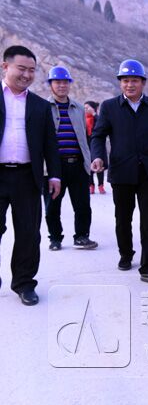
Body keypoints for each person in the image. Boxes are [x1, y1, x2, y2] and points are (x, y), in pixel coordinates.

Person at [91, 59, 148, 284]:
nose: (129, 85)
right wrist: (98, 156)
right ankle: (126, 254)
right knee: (123, 219)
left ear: (143, 83)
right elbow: (98, 135)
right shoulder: (109, 107)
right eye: (125, 80)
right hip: (122, 172)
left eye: (134, 80)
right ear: (120, 83)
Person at [0, 45, 61, 306]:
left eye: (32, 70)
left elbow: (50, 144)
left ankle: (24, 283)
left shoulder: (40, 106)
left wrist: (55, 175)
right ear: (5, 66)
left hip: (27, 177)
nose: (27, 75)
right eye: (21, 69)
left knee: (29, 233)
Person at [44, 66, 98, 251]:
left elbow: (84, 136)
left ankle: (81, 236)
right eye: (57, 82)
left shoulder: (78, 108)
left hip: (77, 163)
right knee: (52, 205)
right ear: (51, 84)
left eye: (65, 82)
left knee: (82, 204)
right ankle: (55, 238)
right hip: (54, 166)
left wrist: (88, 160)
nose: (62, 85)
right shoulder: (43, 108)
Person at [84, 101, 105, 194]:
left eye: (87, 107)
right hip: (87, 145)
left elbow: (103, 123)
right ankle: (91, 185)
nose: (86, 109)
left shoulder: (97, 118)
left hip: (97, 145)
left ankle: (101, 185)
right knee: (89, 166)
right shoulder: (83, 119)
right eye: (84, 108)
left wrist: (94, 114)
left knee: (100, 164)